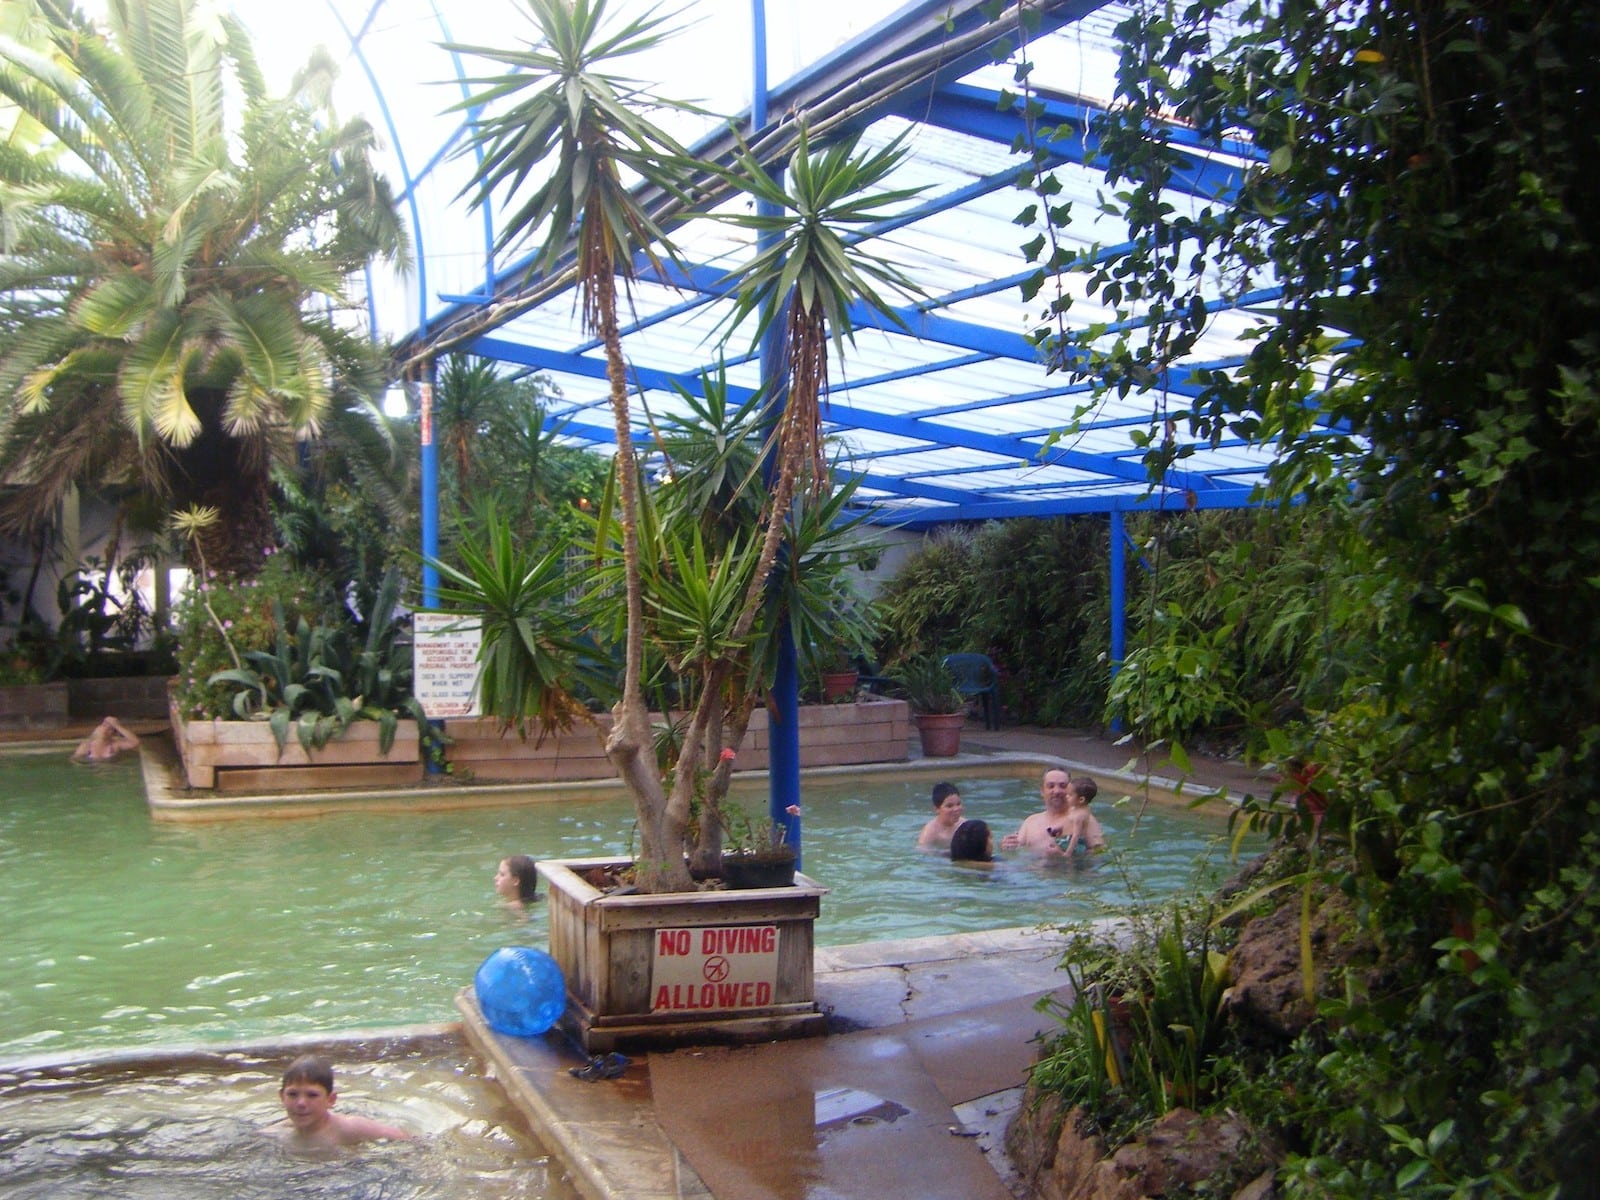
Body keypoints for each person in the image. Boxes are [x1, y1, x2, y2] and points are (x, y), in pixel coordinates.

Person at [268, 1054, 411, 1147]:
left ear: (330, 1100)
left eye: (312, 1095)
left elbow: (405, 1139)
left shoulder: (350, 1128)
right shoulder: (274, 1135)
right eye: (292, 1094)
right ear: (282, 1097)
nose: (301, 1103)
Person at [1001, 767, 1074, 854]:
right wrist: (1005, 847)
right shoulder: (1031, 822)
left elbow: (1095, 852)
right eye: (1051, 786)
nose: (1057, 791)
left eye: (1063, 786)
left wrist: (1065, 856)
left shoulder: (1082, 820)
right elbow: (1015, 855)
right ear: (1042, 791)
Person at [1052, 776, 1106, 857]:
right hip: (1069, 838)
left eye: (1069, 795)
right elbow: (1068, 822)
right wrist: (1058, 828)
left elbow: (1076, 836)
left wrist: (1068, 852)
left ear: (1081, 800)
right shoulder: (1078, 809)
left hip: (1074, 843)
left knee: (1050, 849)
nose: (1066, 797)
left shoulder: (1079, 816)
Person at [916, 781, 964, 848]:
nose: (956, 809)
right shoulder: (930, 831)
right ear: (937, 809)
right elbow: (922, 850)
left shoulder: (964, 825)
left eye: (958, 804)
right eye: (949, 806)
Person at [72, 715, 140, 762]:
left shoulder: (115, 745)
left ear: (112, 734)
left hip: (111, 771)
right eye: (104, 725)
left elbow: (135, 742)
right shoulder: (86, 746)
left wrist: (117, 726)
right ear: (96, 729)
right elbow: (75, 760)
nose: (106, 729)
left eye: (110, 728)